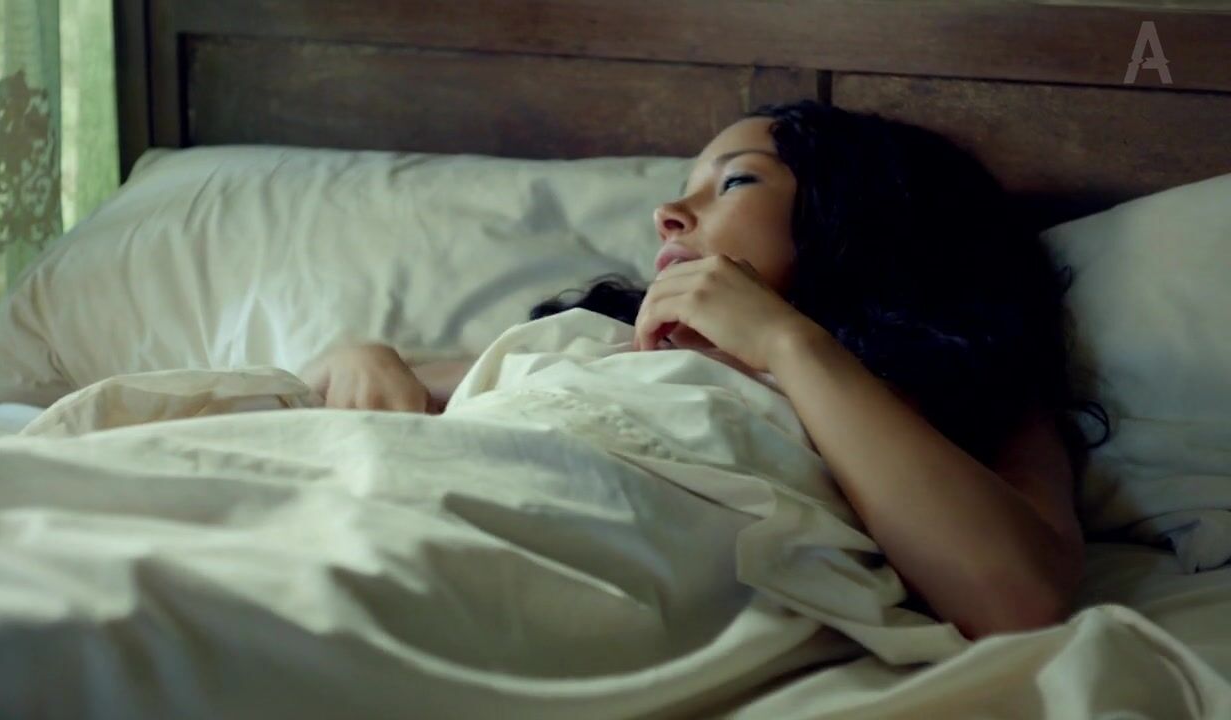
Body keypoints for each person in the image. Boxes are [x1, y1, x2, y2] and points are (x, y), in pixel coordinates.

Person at [300, 99, 1110, 641]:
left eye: (735, 180)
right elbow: (360, 378)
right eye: (681, 190)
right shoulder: (604, 340)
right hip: (397, 500)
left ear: (858, 216)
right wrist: (364, 357)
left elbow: (1017, 600)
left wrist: (785, 342)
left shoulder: (966, 392)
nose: (670, 214)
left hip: (553, 563)